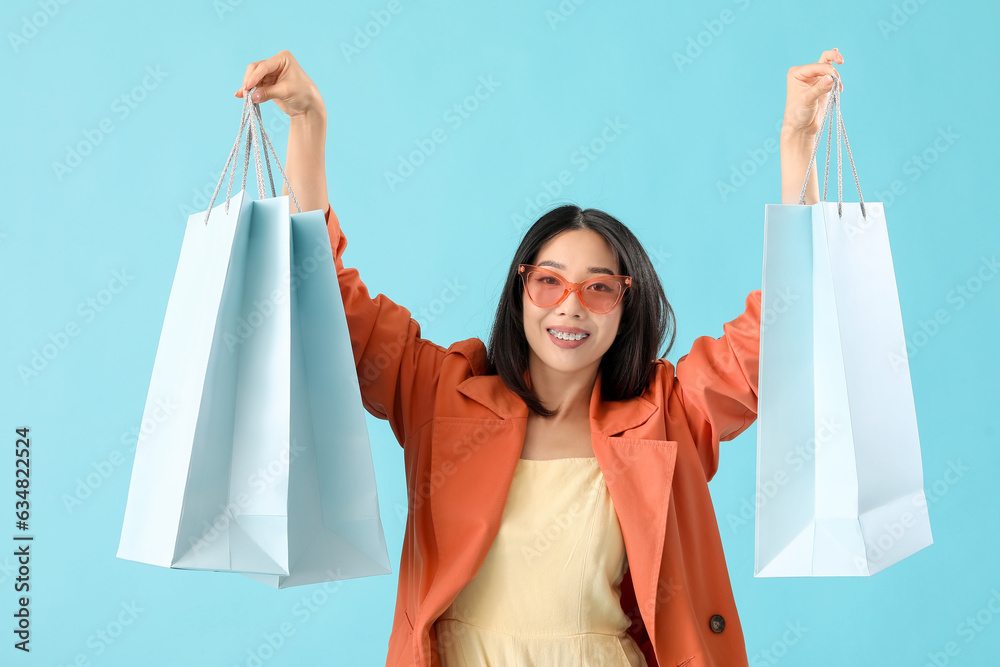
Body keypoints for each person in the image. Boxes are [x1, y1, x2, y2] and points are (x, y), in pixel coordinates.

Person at [236, 47, 846, 667]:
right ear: (520, 291)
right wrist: (308, 125)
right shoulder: (439, 394)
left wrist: (798, 142)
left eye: (600, 286)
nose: (570, 306)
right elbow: (327, 297)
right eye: (548, 281)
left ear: (628, 304)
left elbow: (785, 325)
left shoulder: (667, 415)